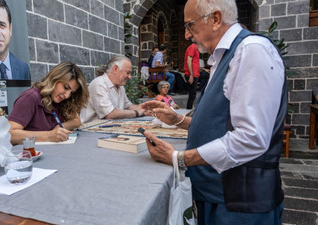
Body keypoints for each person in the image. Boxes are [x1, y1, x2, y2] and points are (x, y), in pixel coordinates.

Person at [140, 0, 287, 224]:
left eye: (190, 25)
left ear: (216, 19)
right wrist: (179, 120)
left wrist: (178, 158)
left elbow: (251, 138)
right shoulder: (223, 56)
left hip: (240, 204)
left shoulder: (251, 50)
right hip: (218, 195)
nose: (187, 35)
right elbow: (224, 121)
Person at [8, 62, 89, 145]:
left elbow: (76, 121)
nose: (67, 95)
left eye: (71, 93)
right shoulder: (30, 97)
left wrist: (60, 127)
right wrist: (48, 135)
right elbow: (9, 134)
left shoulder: (62, 101)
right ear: (54, 79)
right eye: (66, 87)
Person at [80, 55, 145, 123]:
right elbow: (109, 114)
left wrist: (145, 109)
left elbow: (128, 106)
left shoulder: (120, 86)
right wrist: (136, 112)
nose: (130, 77)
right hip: (90, 129)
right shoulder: (99, 84)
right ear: (115, 69)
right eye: (128, 73)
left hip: (109, 127)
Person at [184, 43, 200, 109]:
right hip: (192, 74)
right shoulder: (193, 47)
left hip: (195, 73)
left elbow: (194, 62)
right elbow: (189, 61)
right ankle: (189, 109)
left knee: (193, 94)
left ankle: (191, 108)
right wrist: (191, 75)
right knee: (192, 95)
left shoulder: (195, 48)